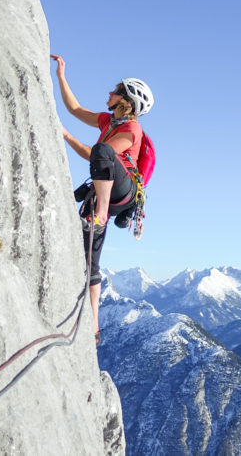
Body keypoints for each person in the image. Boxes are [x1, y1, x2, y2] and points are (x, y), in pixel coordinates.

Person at [50, 54, 154, 344]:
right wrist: (61, 75)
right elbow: (74, 108)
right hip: (104, 189)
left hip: (122, 192)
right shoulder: (109, 120)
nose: (109, 93)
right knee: (90, 262)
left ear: (126, 102)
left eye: (116, 91)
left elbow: (98, 154)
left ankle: (101, 214)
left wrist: (65, 136)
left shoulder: (131, 130)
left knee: (101, 151)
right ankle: (94, 328)